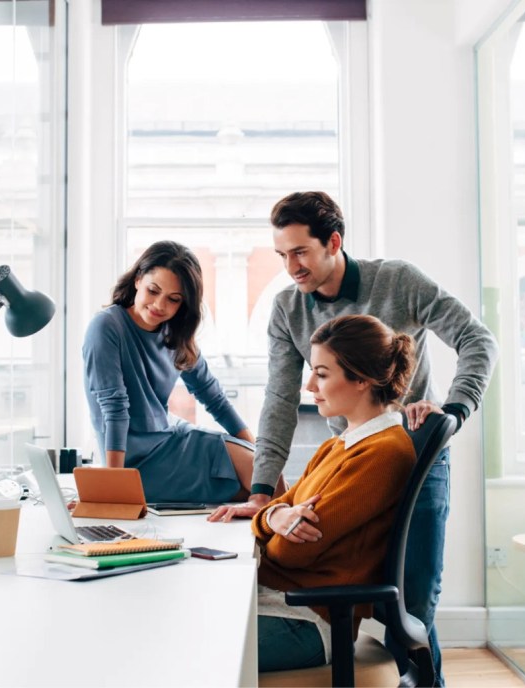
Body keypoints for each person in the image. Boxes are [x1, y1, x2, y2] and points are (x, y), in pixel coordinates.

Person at [210, 191, 499, 680]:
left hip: (412, 455)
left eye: (300, 252)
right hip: (351, 452)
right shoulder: (288, 308)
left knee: (409, 610)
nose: (291, 267)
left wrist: (450, 414)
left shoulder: (398, 281)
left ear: (334, 242)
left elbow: (477, 339)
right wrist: (263, 495)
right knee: (360, 583)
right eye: (281, 255)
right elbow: (281, 400)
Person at [254, 314, 417, 672]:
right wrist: (275, 517)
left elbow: (293, 552)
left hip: (306, 623)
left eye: (322, 374)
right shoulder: (336, 445)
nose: (309, 385)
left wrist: (272, 525)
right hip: (277, 604)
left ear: (361, 379)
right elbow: (275, 511)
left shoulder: (384, 452)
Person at [82, 240, 256, 503]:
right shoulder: (106, 326)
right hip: (134, 460)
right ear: (138, 279)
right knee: (255, 481)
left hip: (171, 437)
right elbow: (114, 409)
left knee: (265, 475)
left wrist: (254, 448)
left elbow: (213, 397)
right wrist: (113, 488)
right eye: (153, 290)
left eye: (173, 300)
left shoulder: (174, 333)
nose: (159, 306)